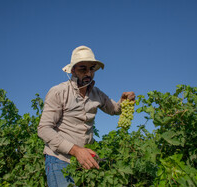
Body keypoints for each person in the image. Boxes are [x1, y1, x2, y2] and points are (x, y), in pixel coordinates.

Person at [38, 46, 135, 187]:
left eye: (92, 69)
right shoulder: (59, 92)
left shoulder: (97, 94)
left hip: (84, 161)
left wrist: (124, 100)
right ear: (72, 70)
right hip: (59, 160)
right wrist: (76, 150)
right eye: (83, 69)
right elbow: (43, 129)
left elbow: (115, 109)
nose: (88, 73)